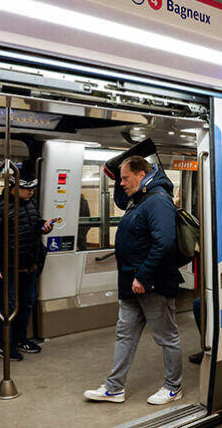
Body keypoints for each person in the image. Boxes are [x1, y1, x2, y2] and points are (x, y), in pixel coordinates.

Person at [84, 155, 184, 405]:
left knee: (166, 337)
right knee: (124, 335)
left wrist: (143, 276)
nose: (122, 184)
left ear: (142, 174)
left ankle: (174, 386)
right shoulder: (138, 199)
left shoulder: (158, 201)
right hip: (132, 285)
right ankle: (114, 387)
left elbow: (165, 243)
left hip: (152, 284)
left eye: (126, 178)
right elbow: (121, 198)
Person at [0, 168, 55, 361]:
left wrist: (44, 226)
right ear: (13, 186)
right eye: (26, 189)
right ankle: (4, 345)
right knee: (8, 306)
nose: (31, 193)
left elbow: (34, 224)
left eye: (32, 189)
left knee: (27, 303)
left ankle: (21, 339)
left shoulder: (31, 204)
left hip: (29, 265)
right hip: (8, 267)